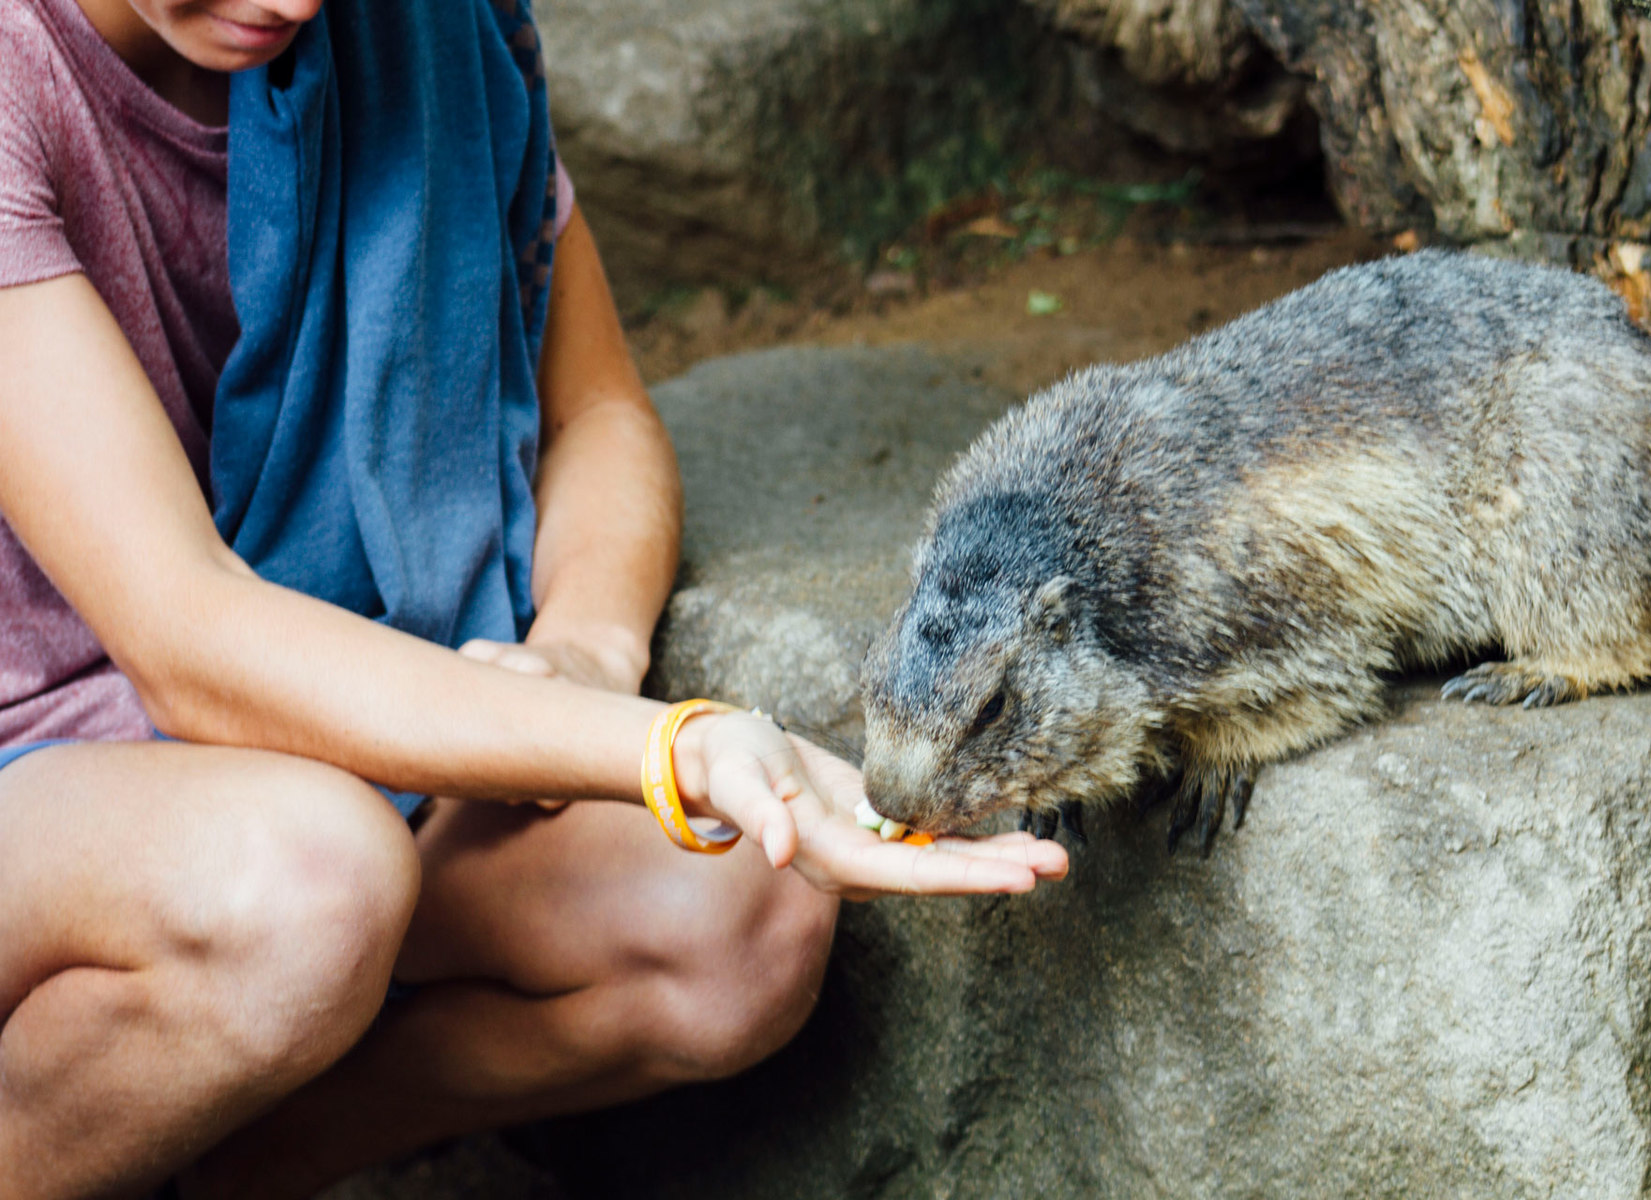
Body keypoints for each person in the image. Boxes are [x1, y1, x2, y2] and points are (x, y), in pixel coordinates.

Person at [0, 0, 1069, 1196]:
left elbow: (599, 412)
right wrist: (678, 746)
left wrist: (587, 655)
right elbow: (185, 636)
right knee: (307, 893)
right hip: (42, 764)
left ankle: (225, 1156)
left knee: (740, 925)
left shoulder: (425, 24)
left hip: (338, 715)